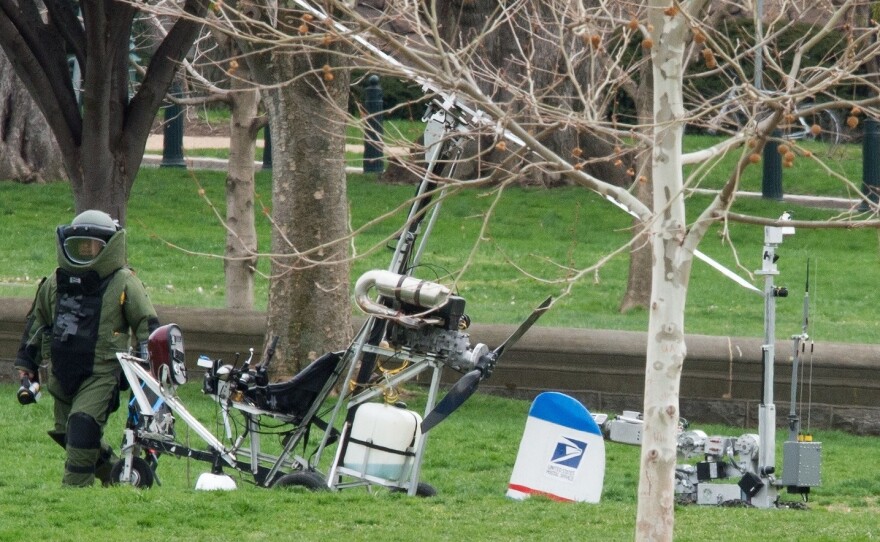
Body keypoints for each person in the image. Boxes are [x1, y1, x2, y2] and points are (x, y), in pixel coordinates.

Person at [15, 210, 160, 487]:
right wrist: (27, 366)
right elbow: (37, 324)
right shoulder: (55, 282)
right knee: (67, 433)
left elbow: (147, 324)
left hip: (102, 372)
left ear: (109, 247)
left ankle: (73, 492)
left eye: (91, 246)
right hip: (61, 371)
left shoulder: (124, 282)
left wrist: (150, 371)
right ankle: (119, 476)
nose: (84, 251)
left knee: (82, 424)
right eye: (78, 245)